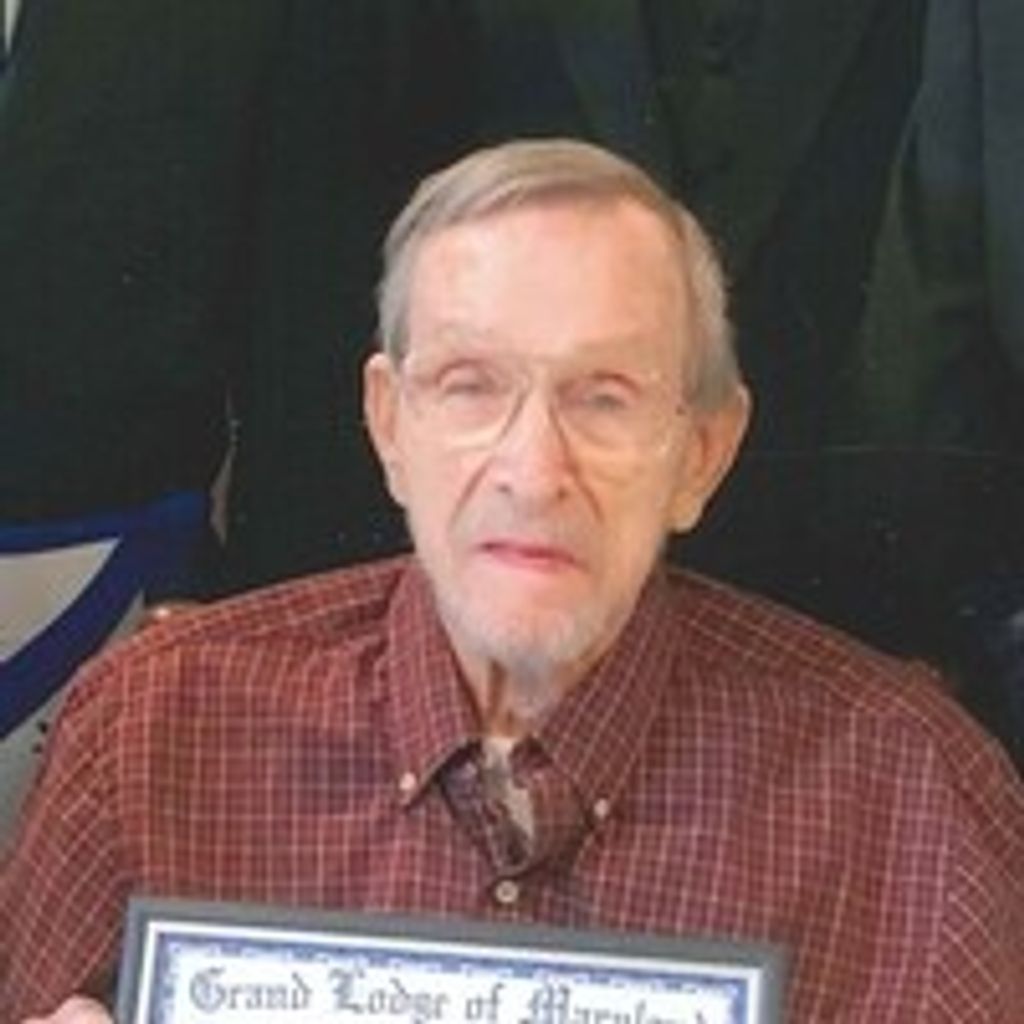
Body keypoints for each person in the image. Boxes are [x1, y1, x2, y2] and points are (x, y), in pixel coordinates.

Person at [1, 140, 1021, 1022]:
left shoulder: (912, 800)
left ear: (703, 454)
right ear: (389, 425)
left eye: (604, 398)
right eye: (470, 386)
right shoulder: (150, 734)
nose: (532, 472)